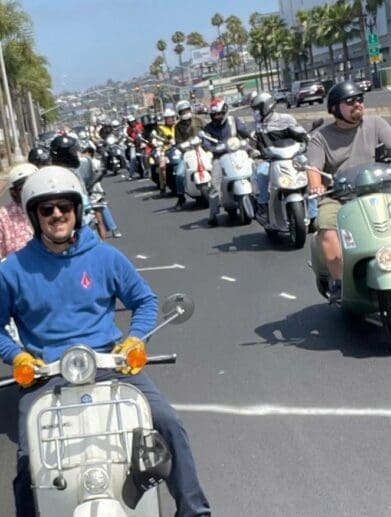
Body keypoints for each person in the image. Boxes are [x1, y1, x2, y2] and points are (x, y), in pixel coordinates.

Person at [0, 166, 211, 517]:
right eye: (46, 209)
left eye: (64, 207)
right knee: (28, 458)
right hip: (46, 374)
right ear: (34, 217)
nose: (56, 215)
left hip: (112, 366)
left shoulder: (105, 256)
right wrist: (17, 355)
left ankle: (194, 510)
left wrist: (133, 340)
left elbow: (143, 300)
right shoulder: (12, 270)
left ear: (77, 210)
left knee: (168, 423)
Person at [307, 79, 391, 302]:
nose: (358, 104)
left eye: (360, 99)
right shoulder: (320, 138)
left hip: (380, 189)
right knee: (326, 226)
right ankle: (339, 281)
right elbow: (313, 168)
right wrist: (316, 185)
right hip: (339, 196)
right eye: (350, 101)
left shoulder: (375, 124)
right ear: (335, 108)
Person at [250, 92, 312, 225]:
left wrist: (305, 139)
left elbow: (301, 133)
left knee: (311, 173)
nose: (255, 113)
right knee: (260, 174)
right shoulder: (258, 126)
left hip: (294, 158)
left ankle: (313, 214)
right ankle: (264, 208)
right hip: (271, 161)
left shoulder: (286, 119)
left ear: (266, 106)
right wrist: (252, 151)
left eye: (257, 109)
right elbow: (254, 144)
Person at [203, 98, 250, 226]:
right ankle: (213, 213)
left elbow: (245, 132)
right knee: (215, 183)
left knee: (256, 169)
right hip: (220, 157)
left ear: (225, 112)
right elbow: (205, 143)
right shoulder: (208, 128)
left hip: (238, 153)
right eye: (214, 115)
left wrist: (248, 137)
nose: (217, 117)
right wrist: (212, 148)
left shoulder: (234, 121)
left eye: (219, 114)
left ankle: (262, 202)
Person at [173, 100, 205, 210]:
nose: (185, 112)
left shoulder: (199, 120)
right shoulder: (177, 127)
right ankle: (181, 197)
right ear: (179, 113)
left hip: (202, 150)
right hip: (187, 153)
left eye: (187, 110)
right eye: (182, 111)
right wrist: (182, 147)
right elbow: (178, 143)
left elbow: (208, 133)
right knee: (179, 174)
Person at [0, 163, 37, 259]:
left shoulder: (51, 208)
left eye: (34, 185)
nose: (31, 191)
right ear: (14, 192)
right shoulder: (4, 217)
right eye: (24, 188)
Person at [157, 108, 176, 196]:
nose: (170, 120)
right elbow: (157, 137)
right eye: (167, 118)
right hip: (165, 150)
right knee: (162, 166)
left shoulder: (178, 126)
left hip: (179, 149)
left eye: (171, 117)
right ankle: (163, 186)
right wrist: (161, 141)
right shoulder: (161, 128)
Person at [123, 114, 144, 180]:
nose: (133, 123)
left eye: (133, 121)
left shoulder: (140, 125)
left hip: (143, 143)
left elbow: (144, 133)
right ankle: (131, 174)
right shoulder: (128, 129)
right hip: (135, 145)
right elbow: (128, 138)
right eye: (131, 122)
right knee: (133, 158)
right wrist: (129, 140)